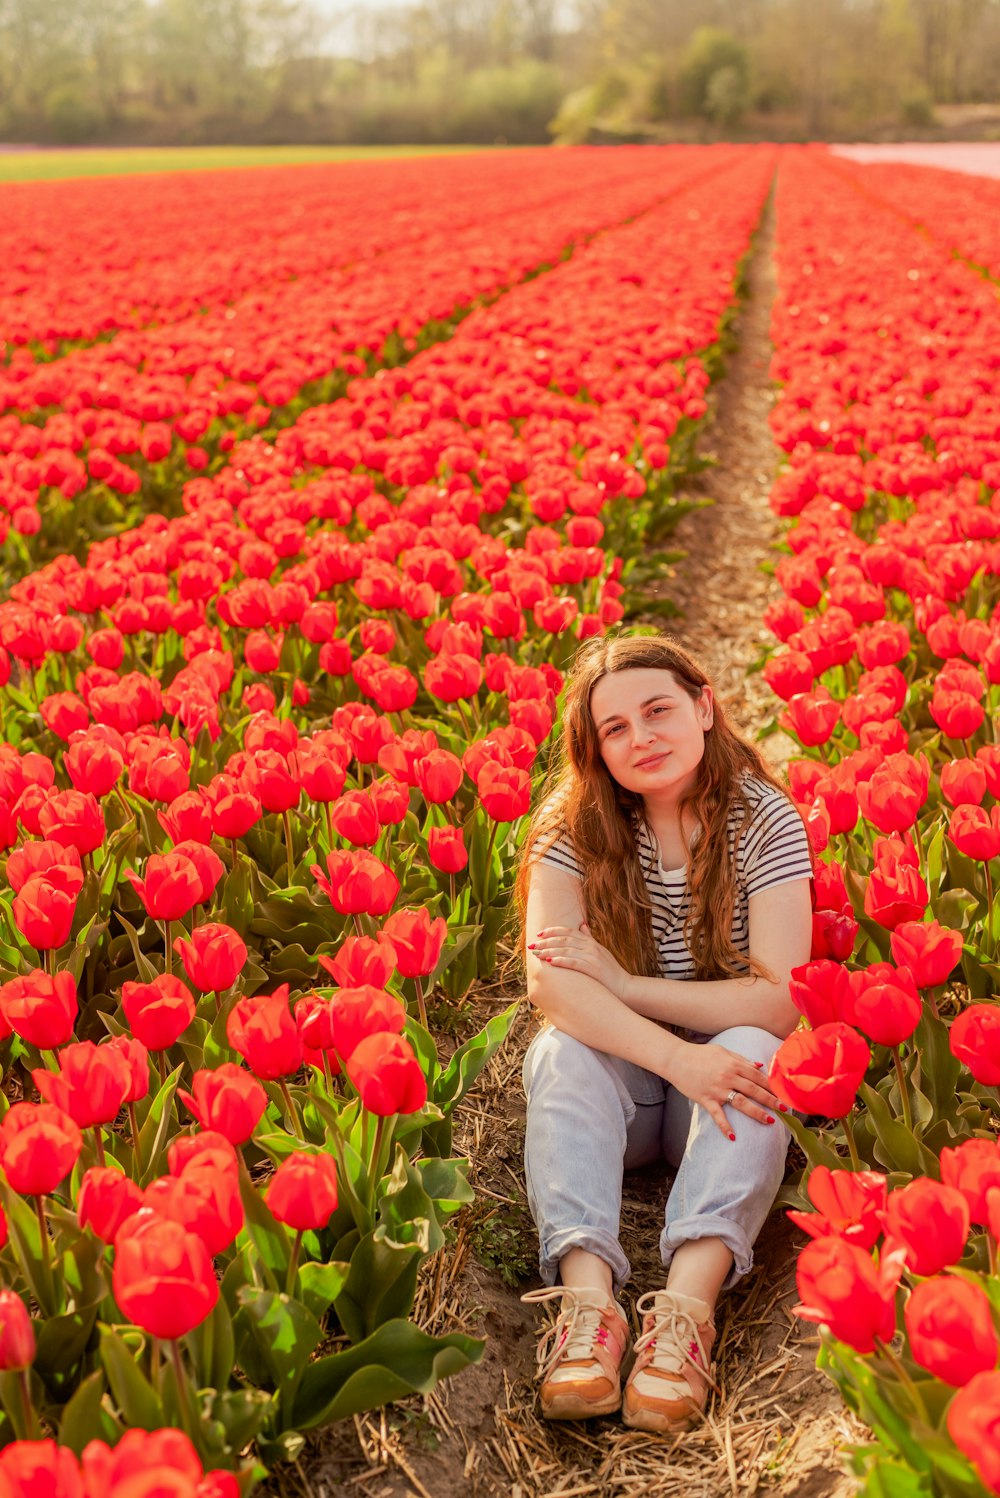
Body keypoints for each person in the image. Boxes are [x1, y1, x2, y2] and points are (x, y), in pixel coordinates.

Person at [514, 631, 813, 1432]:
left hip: (710, 1108)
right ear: (597, 749)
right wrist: (678, 1057)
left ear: (704, 707)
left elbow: (780, 1001)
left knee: (758, 1051)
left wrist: (625, 984)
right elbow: (552, 985)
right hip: (633, 1091)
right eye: (615, 728)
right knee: (560, 1047)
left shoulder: (764, 822)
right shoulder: (569, 828)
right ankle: (588, 1305)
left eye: (657, 711)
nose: (641, 737)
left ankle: (684, 1314)